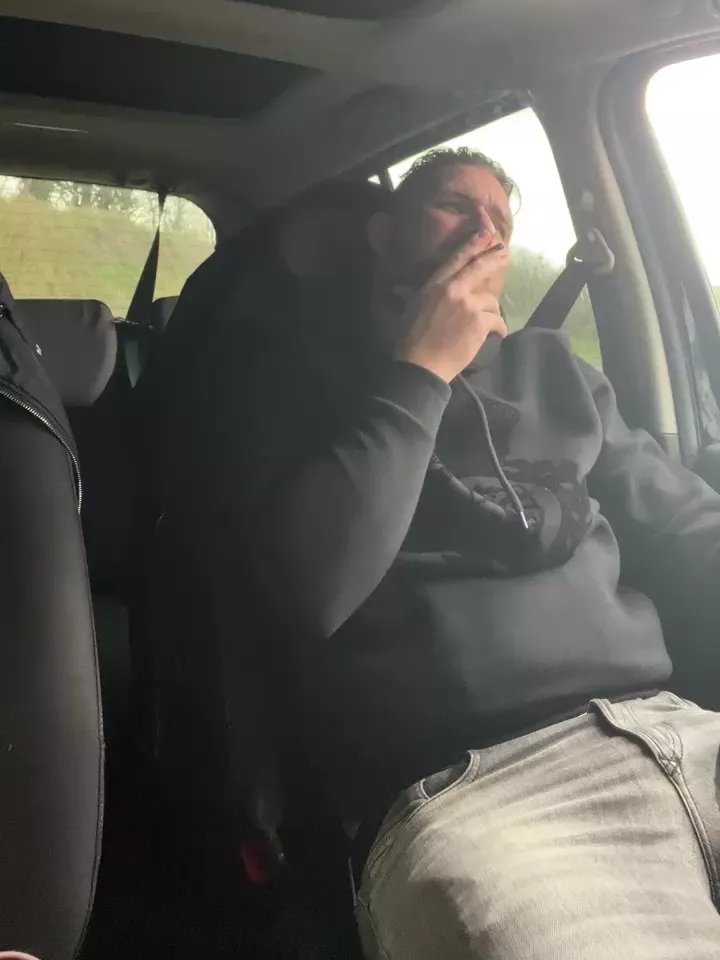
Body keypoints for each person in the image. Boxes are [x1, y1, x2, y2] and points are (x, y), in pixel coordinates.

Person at [156, 150, 720, 957]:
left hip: (677, 732)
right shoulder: (288, 387)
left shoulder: (554, 368)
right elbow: (313, 588)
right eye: (456, 206)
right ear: (383, 234)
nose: (485, 230)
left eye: (501, 221)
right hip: (484, 790)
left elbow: (685, 521)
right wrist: (422, 371)